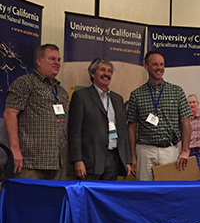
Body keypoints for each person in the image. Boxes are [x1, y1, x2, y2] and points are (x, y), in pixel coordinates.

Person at [4, 44, 69, 180]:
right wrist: (14, 149)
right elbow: (10, 113)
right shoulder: (25, 83)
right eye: (52, 59)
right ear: (39, 61)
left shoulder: (62, 91)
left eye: (59, 60)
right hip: (31, 162)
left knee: (53, 201)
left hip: (58, 163)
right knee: (27, 200)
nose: (57, 63)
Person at [127, 50, 192, 181]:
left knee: (169, 193)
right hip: (145, 151)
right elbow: (132, 127)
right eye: (155, 64)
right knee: (144, 193)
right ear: (146, 66)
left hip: (169, 151)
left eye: (162, 64)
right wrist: (132, 156)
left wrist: (185, 150)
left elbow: (185, 122)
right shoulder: (136, 95)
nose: (159, 68)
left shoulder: (177, 92)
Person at [68, 58, 132, 180]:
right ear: (92, 74)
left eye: (109, 71)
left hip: (113, 159)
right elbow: (75, 131)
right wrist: (77, 160)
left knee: (108, 197)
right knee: (89, 197)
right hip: (90, 161)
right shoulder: (81, 97)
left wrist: (127, 160)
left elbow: (123, 131)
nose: (107, 74)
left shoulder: (118, 99)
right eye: (102, 70)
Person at [188, 94, 200, 170]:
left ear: (197, 103)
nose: (192, 104)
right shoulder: (185, 119)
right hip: (190, 151)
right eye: (190, 103)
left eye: (193, 102)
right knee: (192, 174)